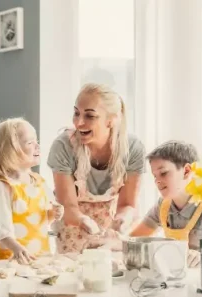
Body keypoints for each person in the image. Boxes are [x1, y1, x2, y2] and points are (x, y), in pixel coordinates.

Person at [49, 83, 147, 254]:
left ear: (111, 119)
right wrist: (84, 221)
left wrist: (122, 221)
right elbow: (68, 207)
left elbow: (127, 204)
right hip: (73, 231)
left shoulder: (132, 148)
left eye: (90, 116)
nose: (79, 122)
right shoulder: (63, 146)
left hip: (113, 236)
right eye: (76, 113)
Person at [0, 118, 64, 264]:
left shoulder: (39, 182)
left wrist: (53, 213)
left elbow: (42, 219)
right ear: (10, 152)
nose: (37, 146)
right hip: (12, 262)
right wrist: (18, 249)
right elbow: (0, 230)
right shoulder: (3, 187)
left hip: (40, 260)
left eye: (36, 141)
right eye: (30, 142)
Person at [129, 141, 202, 268]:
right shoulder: (163, 206)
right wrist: (115, 240)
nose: (157, 181)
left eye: (163, 173)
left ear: (186, 171)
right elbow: (134, 239)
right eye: (155, 176)